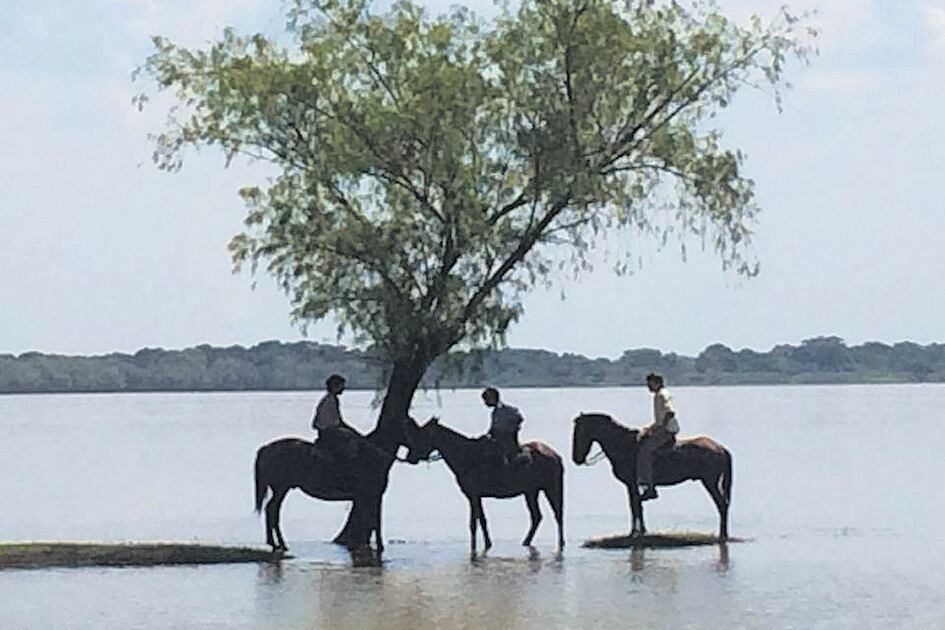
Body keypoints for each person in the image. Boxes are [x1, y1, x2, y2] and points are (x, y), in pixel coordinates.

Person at [636, 373, 679, 501]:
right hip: (662, 428)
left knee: (644, 451)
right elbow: (659, 419)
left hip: (667, 431)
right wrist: (649, 428)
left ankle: (649, 486)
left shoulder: (662, 395)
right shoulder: (657, 395)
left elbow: (670, 412)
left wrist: (661, 428)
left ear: (657, 383)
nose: (648, 387)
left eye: (650, 384)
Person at [311, 374, 361, 463]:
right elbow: (335, 422)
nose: (343, 388)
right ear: (335, 387)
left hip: (328, 430)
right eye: (341, 386)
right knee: (352, 445)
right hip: (329, 432)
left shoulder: (328, 399)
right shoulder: (330, 400)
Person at [481, 387, 526, 466]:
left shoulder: (507, 410)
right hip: (496, 440)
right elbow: (494, 427)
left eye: (487, 400)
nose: (485, 402)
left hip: (507, 441)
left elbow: (519, 419)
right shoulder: (495, 412)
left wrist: (511, 429)